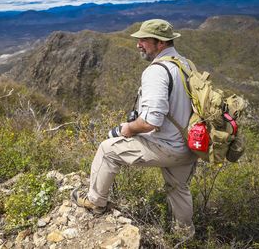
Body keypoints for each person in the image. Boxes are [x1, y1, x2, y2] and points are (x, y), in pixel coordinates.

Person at [71, 19, 198, 238]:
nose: (139, 44)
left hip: (167, 146)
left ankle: (95, 202)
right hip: (189, 146)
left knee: (107, 150)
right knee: (179, 189)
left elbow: (151, 121)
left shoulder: (157, 71)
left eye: (144, 40)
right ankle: (185, 236)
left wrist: (126, 129)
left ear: (159, 43)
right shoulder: (185, 64)